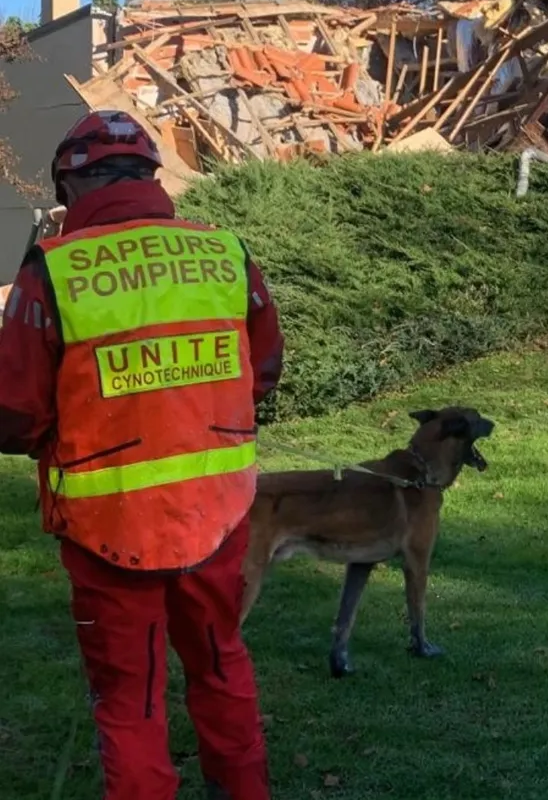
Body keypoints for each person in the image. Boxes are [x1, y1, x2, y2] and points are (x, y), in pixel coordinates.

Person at [0, 110, 284, 799]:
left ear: (71, 185)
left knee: (131, 703)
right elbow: (263, 371)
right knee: (221, 668)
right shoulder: (225, 252)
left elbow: (13, 415)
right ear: (151, 177)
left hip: (110, 528)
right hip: (218, 515)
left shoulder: (54, 271)